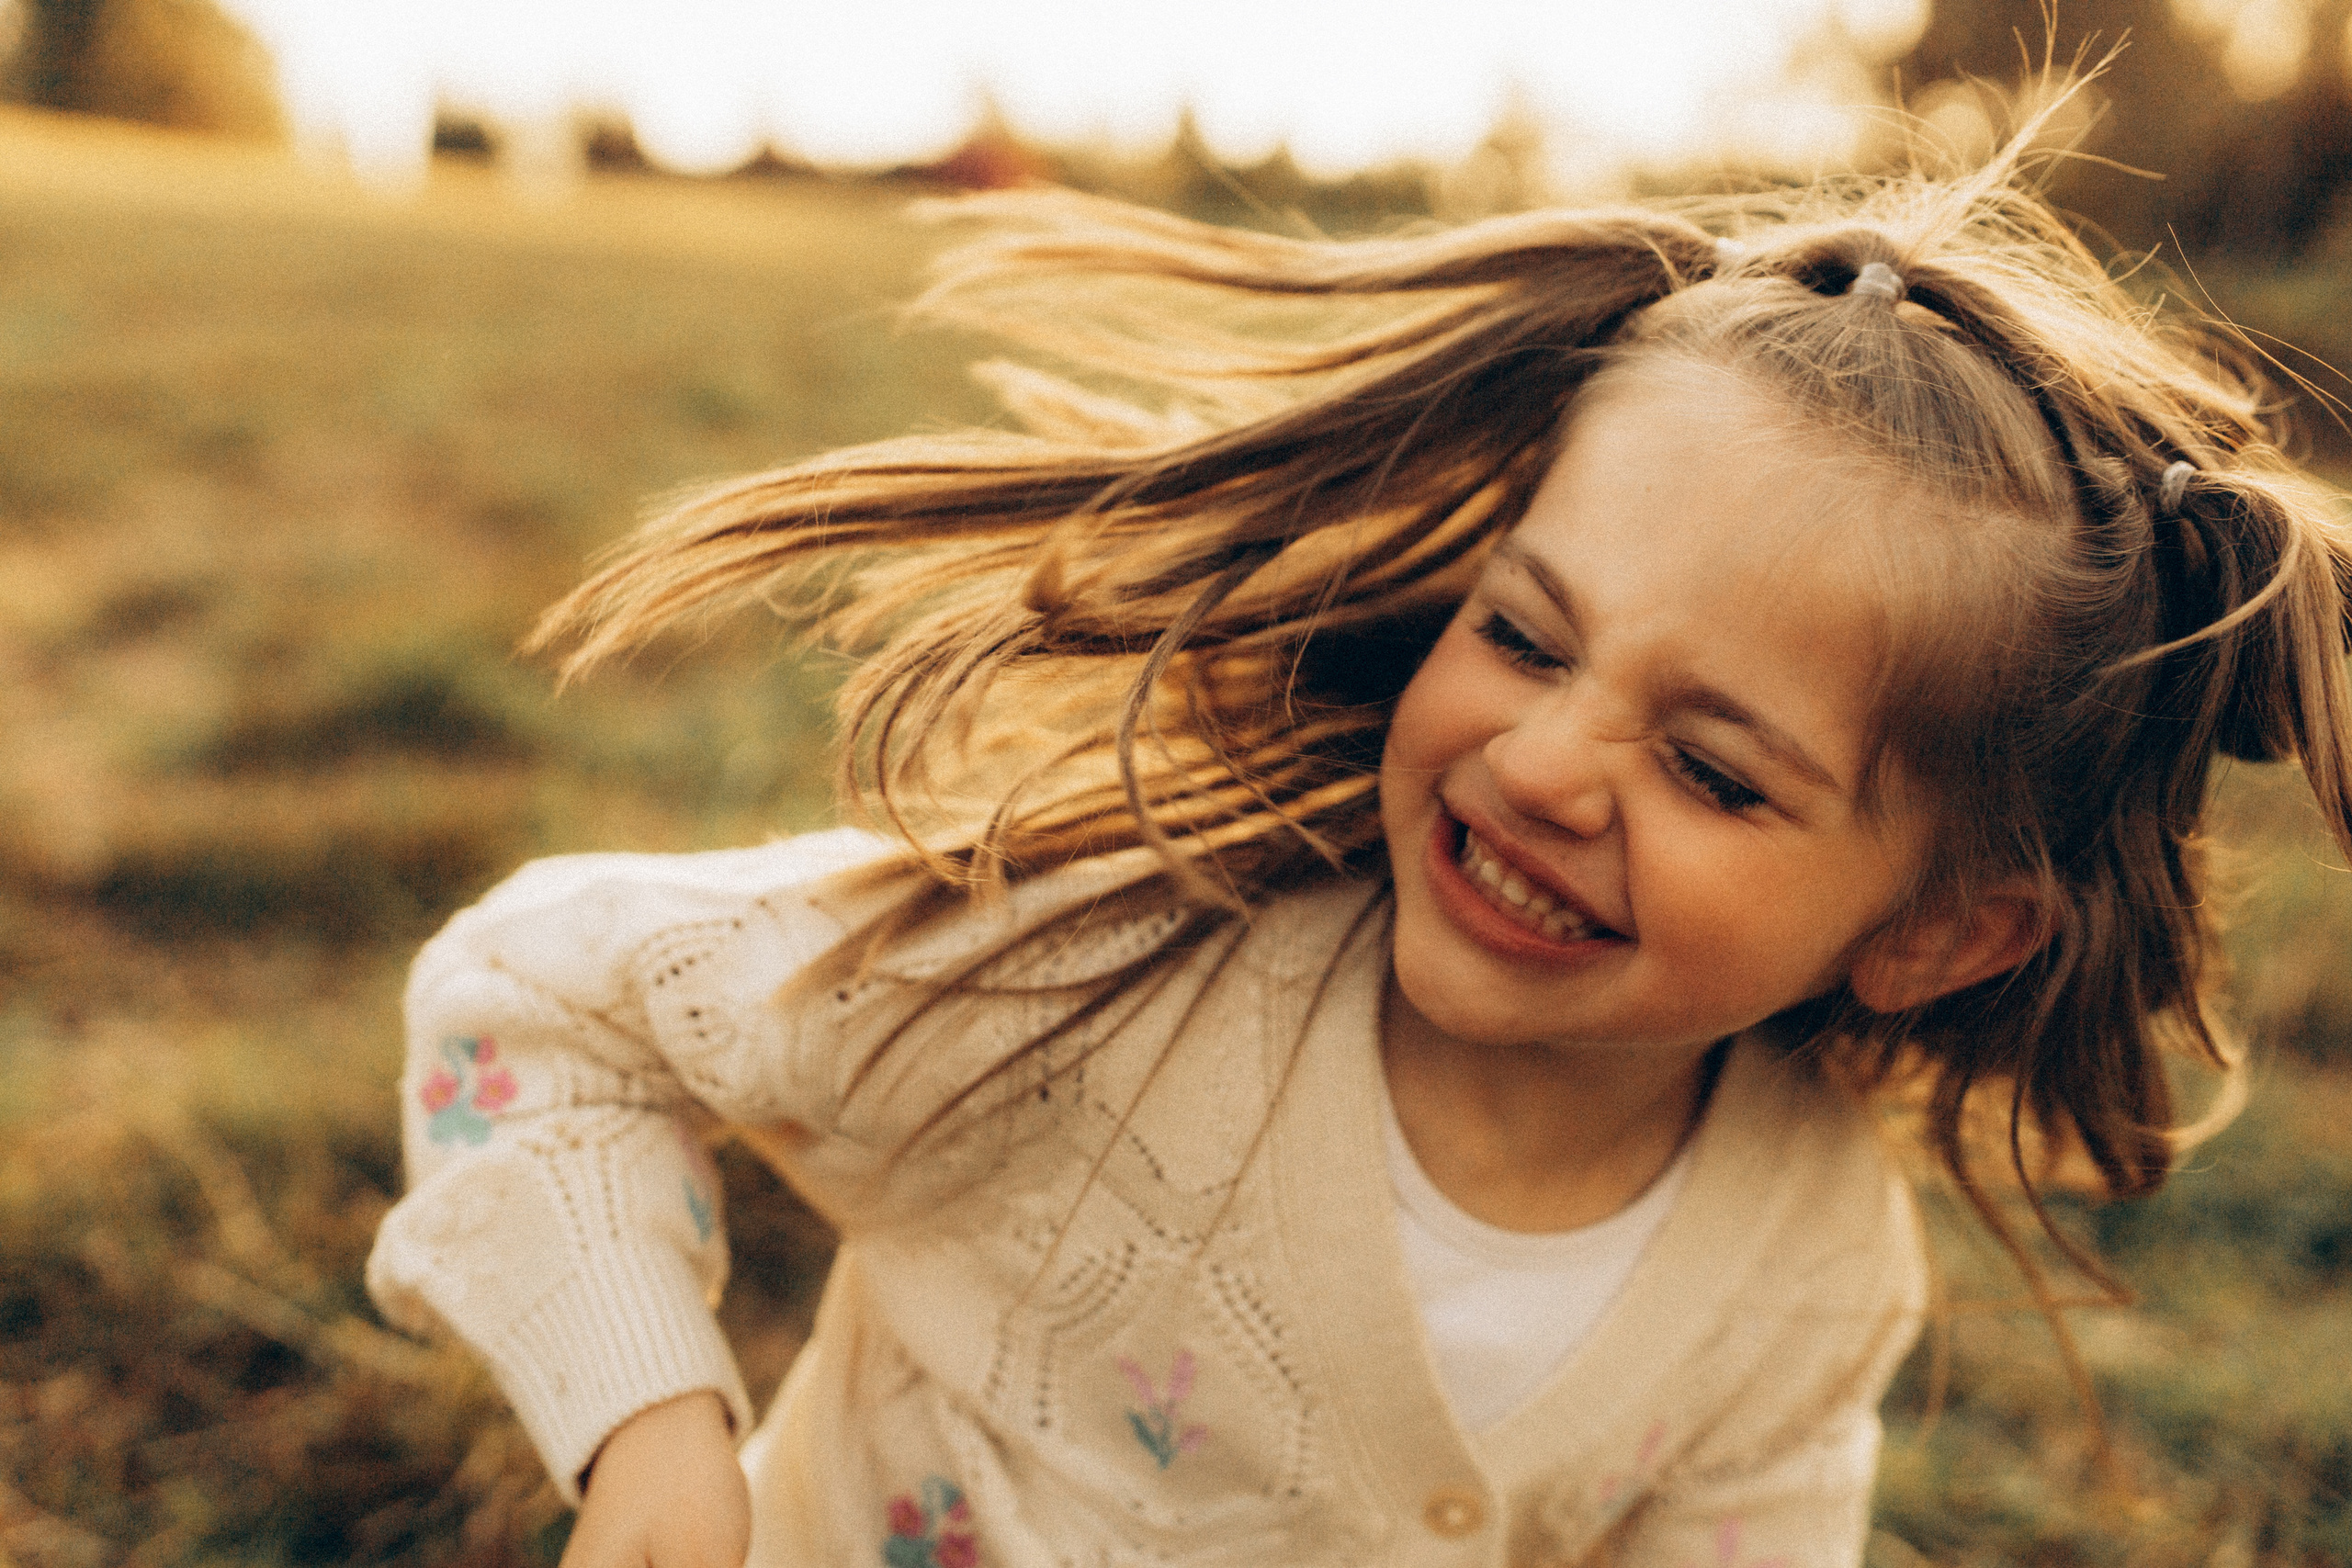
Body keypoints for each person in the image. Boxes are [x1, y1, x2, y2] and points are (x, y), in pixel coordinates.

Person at [366, 111, 2352, 1568]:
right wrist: (649, 1424)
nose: (1551, 763)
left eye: (1714, 769)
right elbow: (539, 997)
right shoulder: (1083, 979)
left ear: (1936, 930)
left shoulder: (1801, 1265)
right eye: (1521, 634)